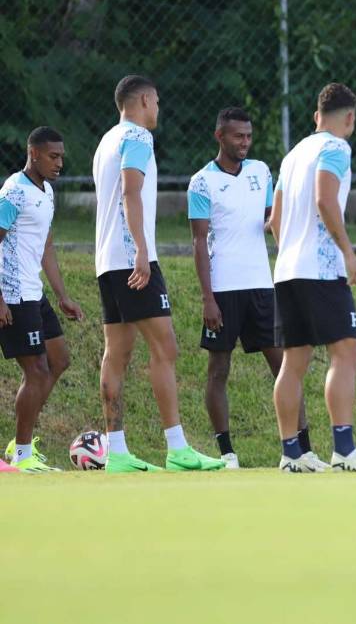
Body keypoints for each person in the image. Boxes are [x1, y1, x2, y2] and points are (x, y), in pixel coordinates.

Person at [93, 74, 224, 473]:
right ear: (146, 100)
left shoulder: (106, 141)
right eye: (158, 101)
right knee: (165, 349)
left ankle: (116, 453)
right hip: (133, 259)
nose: (159, 109)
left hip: (106, 261)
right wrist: (142, 251)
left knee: (117, 353)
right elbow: (131, 192)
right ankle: (177, 448)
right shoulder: (137, 138)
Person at [188, 107, 318, 469]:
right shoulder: (202, 182)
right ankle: (227, 453)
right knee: (218, 371)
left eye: (248, 136)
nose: (244, 142)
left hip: (263, 287)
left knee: (286, 369)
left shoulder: (261, 172)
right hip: (224, 291)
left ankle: (300, 450)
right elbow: (199, 242)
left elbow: (271, 221)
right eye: (237, 136)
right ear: (220, 136)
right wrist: (207, 298)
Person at [271, 82, 356, 473]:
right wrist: (347, 251)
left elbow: (275, 220)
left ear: (316, 114)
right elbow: (325, 199)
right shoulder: (337, 148)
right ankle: (344, 451)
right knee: (345, 352)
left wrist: (291, 250)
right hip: (320, 270)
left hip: (287, 269)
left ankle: (292, 454)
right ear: (350, 117)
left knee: (294, 361)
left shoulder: (292, 155)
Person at [0, 127, 84, 473]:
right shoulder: (13, 193)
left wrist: (63, 295)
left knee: (59, 359)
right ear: (33, 153)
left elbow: (46, 247)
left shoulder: (46, 191)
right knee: (35, 372)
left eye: (61, 156)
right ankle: (22, 454)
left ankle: (21, 435)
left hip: (35, 292)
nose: (59, 162)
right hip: (14, 293)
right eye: (53, 156)